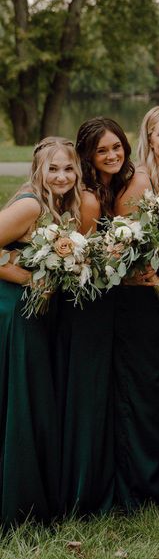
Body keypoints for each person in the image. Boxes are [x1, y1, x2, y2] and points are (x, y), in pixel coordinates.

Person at [53, 119, 134, 516]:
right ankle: (84, 492)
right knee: (87, 395)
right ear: (87, 155)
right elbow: (84, 264)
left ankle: (104, 483)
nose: (112, 155)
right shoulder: (87, 199)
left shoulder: (109, 188)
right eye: (102, 150)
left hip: (104, 306)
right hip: (87, 307)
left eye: (116, 147)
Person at [0, 137, 81, 526]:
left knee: (32, 396)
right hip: (15, 307)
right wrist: (27, 278)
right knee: (22, 397)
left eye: (68, 168)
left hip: (37, 310)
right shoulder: (31, 203)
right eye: (54, 169)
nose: (62, 176)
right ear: (39, 170)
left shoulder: (62, 205)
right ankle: (17, 503)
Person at [114, 105, 159, 509]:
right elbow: (124, 242)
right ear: (149, 139)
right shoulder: (142, 180)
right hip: (139, 297)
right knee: (141, 389)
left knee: (158, 387)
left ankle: (153, 478)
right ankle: (135, 486)